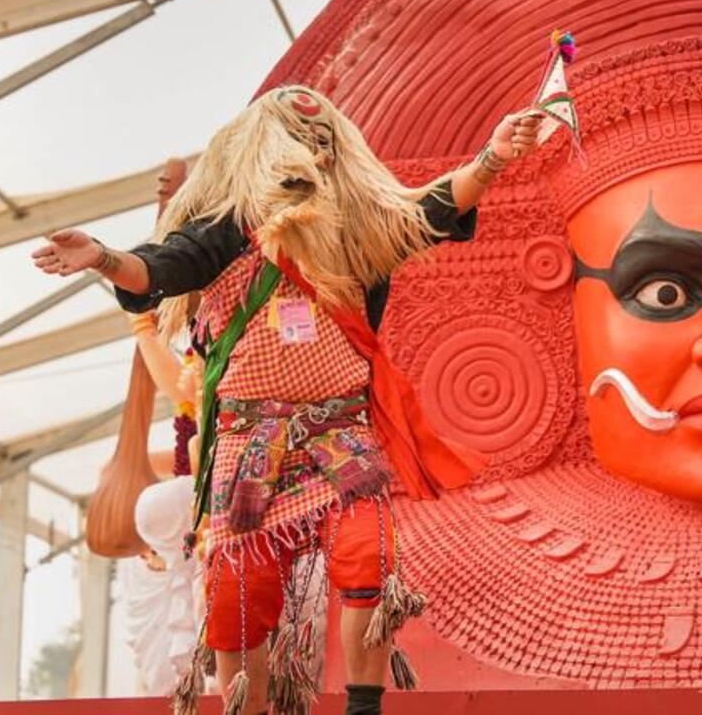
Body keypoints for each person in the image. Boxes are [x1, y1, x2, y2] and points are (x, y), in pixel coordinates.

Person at [32, 86, 543, 715]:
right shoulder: (225, 231)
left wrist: (490, 158)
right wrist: (104, 259)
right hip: (251, 439)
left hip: (340, 429)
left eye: (325, 141)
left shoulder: (359, 228)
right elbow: (162, 268)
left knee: (370, 555)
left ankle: (363, 707)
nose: (315, 153)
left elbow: (426, 213)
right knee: (238, 591)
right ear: (264, 149)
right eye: (302, 141)